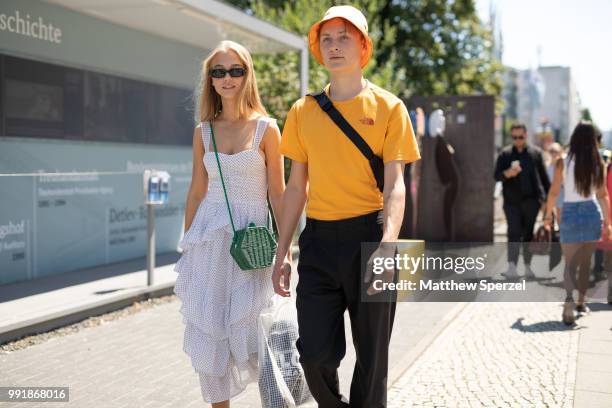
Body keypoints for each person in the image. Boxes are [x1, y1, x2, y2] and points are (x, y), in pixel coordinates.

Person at [272, 5, 421, 407]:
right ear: (318, 49)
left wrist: (389, 242)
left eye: (343, 38)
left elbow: (396, 184)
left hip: (372, 237)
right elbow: (296, 187)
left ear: (363, 46)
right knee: (314, 353)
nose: (334, 46)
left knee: (373, 359)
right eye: (326, 39)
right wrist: (282, 251)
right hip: (319, 241)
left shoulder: (390, 108)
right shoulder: (303, 111)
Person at [173, 40, 285, 407]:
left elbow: (279, 195)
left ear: (247, 74)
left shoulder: (267, 129)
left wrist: (285, 251)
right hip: (210, 243)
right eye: (218, 71)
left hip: (252, 245)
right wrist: (187, 246)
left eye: (235, 70)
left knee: (259, 332)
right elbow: (196, 192)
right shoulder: (203, 131)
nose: (227, 78)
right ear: (210, 79)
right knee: (212, 331)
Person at [544, 121, 611, 325]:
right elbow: (602, 194)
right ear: (593, 139)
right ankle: (581, 302)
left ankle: (569, 302)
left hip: (570, 213)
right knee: (585, 263)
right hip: (592, 212)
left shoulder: (563, 161)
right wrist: (608, 222)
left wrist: (548, 215)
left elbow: (555, 192)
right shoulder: (598, 162)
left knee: (570, 264)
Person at [494, 123, 550, 279]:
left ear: (526, 135)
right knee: (513, 232)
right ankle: (512, 266)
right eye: (514, 137)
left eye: (520, 137)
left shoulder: (535, 153)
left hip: (532, 202)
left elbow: (544, 179)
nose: (518, 140)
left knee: (528, 234)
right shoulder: (505, 154)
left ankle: (527, 266)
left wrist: (548, 202)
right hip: (511, 202)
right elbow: (496, 176)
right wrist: (508, 173)